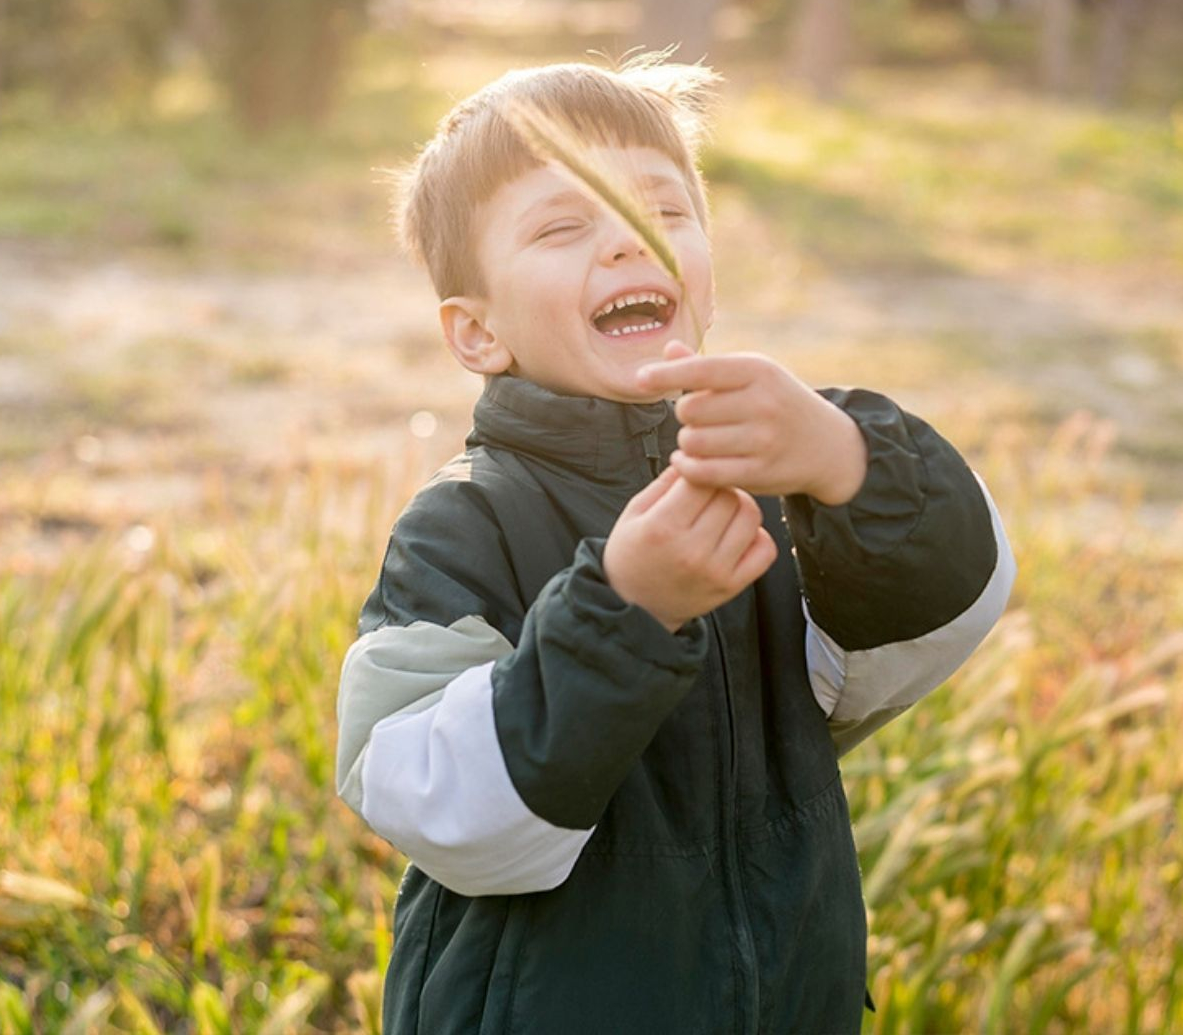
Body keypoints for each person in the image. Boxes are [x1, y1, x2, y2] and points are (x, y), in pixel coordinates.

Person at [335, 52, 1015, 1034]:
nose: (628, 240)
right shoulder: (467, 524)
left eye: (662, 210)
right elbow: (434, 804)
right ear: (478, 333)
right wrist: (627, 611)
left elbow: (917, 641)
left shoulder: (768, 479)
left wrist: (848, 460)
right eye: (563, 226)